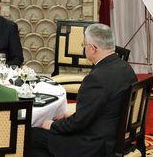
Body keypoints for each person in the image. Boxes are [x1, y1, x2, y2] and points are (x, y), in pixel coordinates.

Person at [30, 23, 137, 157]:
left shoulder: (96, 78)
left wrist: (52, 125)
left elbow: (78, 124)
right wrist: (72, 116)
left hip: (95, 144)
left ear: (92, 48)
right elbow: (100, 109)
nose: (84, 48)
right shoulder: (126, 68)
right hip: (114, 134)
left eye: (84, 45)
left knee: (31, 135)